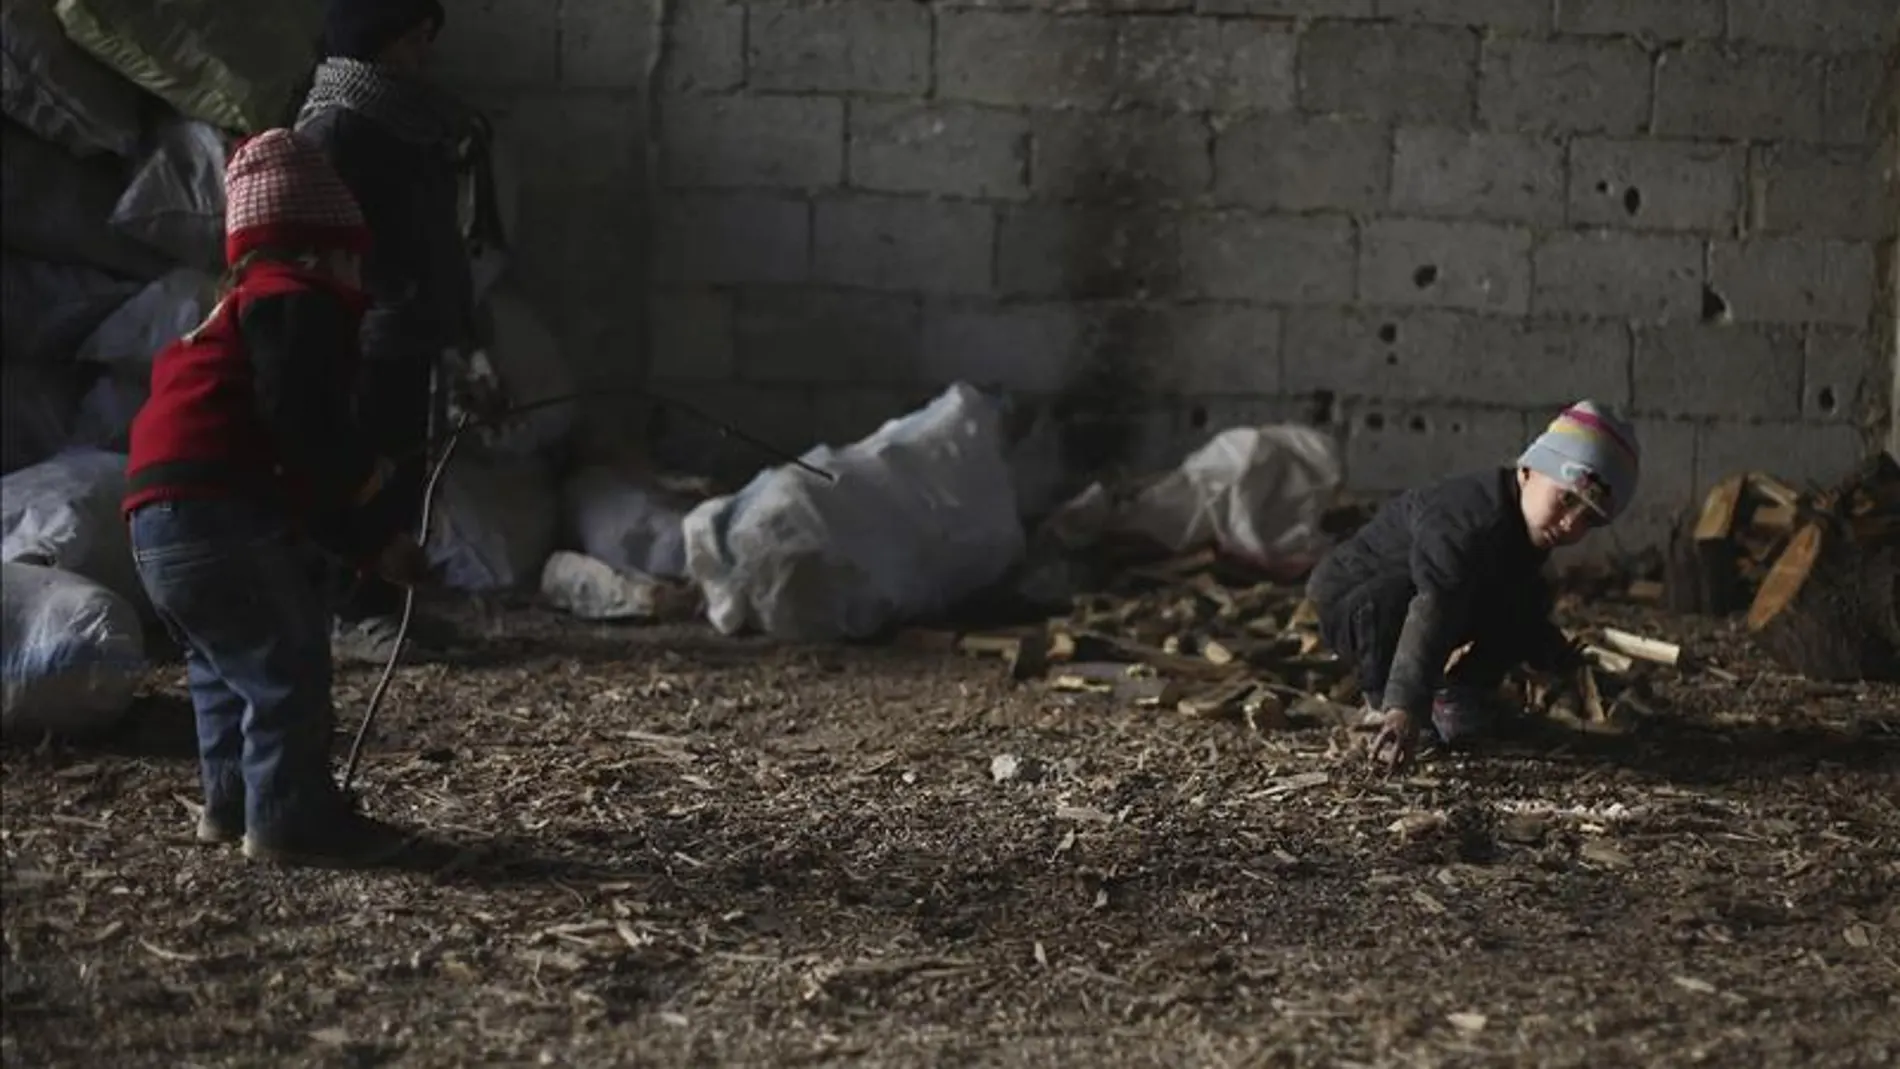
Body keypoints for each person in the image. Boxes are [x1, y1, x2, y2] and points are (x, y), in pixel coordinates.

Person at [123, 128, 424, 868]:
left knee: (224, 667)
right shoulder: (299, 302)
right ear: (317, 251)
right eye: (352, 255)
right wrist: (372, 505)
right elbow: (308, 432)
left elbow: (292, 467)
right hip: (217, 514)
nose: (359, 277)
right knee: (287, 665)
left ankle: (231, 807)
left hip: (155, 521)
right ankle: (295, 822)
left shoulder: (229, 314)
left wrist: (357, 541)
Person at [295, 0, 489, 664]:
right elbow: (316, 244)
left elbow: (434, 236)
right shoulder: (338, 127)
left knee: (404, 470)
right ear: (375, 45)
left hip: (408, 327)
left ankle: (385, 605)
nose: (421, 56)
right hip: (366, 333)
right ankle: (348, 611)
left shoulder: (405, 125)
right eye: (410, 42)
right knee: (364, 474)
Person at [1305, 401, 1642, 774]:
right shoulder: (1466, 517)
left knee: (1528, 597)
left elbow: (1515, 608)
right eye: (1566, 499)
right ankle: (1385, 706)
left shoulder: (1522, 532)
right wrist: (1404, 706)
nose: (1569, 524)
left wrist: (1552, 651)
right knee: (1405, 598)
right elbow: (1434, 606)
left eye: (1589, 520)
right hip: (1355, 598)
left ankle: (1459, 692)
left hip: (1425, 600)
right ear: (1528, 470)